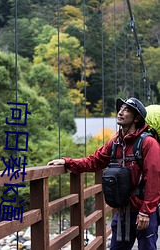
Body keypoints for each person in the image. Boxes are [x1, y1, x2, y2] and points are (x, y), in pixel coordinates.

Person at [47, 97, 160, 250]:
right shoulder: (115, 143)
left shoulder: (148, 143)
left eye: (126, 110)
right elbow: (94, 161)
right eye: (120, 109)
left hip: (143, 211)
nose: (120, 112)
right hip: (123, 211)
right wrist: (67, 162)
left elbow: (154, 178)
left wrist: (146, 212)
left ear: (137, 118)